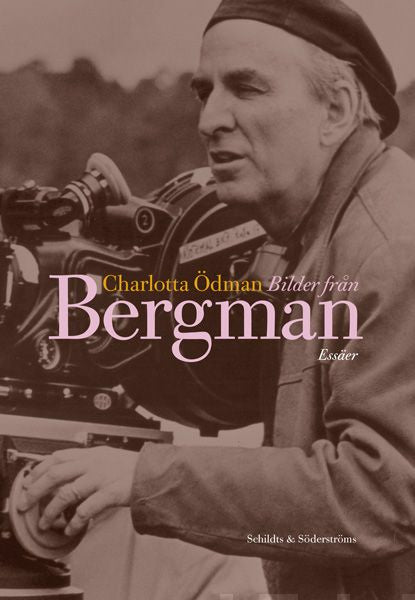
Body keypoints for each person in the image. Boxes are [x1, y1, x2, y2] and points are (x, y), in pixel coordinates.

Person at [17, 0, 415, 598]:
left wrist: (142, 477)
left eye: (246, 88)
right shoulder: (317, 237)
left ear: (335, 109)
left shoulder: (392, 245)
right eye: (205, 92)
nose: (209, 120)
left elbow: (381, 498)